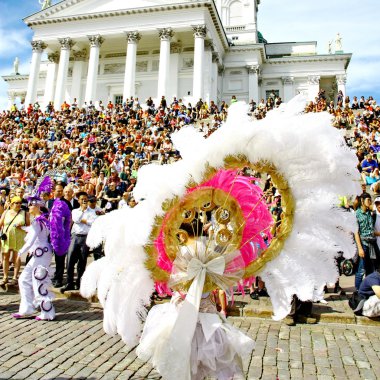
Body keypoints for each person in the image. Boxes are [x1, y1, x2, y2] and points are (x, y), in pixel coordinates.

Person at [13, 197, 55, 320]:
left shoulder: (38, 221)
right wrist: (23, 228)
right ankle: (26, 309)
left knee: (38, 281)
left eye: (31, 205)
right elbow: (34, 232)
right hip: (40, 254)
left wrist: (20, 253)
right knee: (23, 279)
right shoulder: (41, 220)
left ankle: (47, 312)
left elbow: (31, 241)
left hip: (41, 254)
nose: (29, 207)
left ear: (37, 207)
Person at [61, 192, 96, 292]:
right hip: (75, 236)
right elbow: (76, 219)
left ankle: (79, 283)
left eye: (86, 199)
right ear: (79, 201)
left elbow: (93, 223)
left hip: (85, 238)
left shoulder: (92, 212)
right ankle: (69, 282)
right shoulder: (75, 210)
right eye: (82, 199)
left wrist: (84, 220)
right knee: (70, 260)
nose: (84, 200)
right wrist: (83, 214)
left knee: (82, 261)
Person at [0, 196, 29, 286]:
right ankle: (5, 277)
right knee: (5, 257)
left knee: (17, 257)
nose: (19, 204)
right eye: (16, 203)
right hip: (7, 238)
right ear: (12, 204)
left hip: (19, 238)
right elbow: (1, 224)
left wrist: (21, 227)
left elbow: (29, 227)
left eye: (20, 203)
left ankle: (15, 277)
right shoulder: (6, 212)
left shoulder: (24, 213)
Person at [354, 193, 378, 290]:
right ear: (362, 201)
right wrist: (360, 248)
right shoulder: (357, 214)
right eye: (368, 200)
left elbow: (371, 230)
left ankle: (368, 290)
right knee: (361, 270)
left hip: (372, 243)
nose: (370, 202)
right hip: (363, 244)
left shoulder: (370, 213)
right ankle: (358, 292)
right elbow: (356, 232)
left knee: (371, 269)